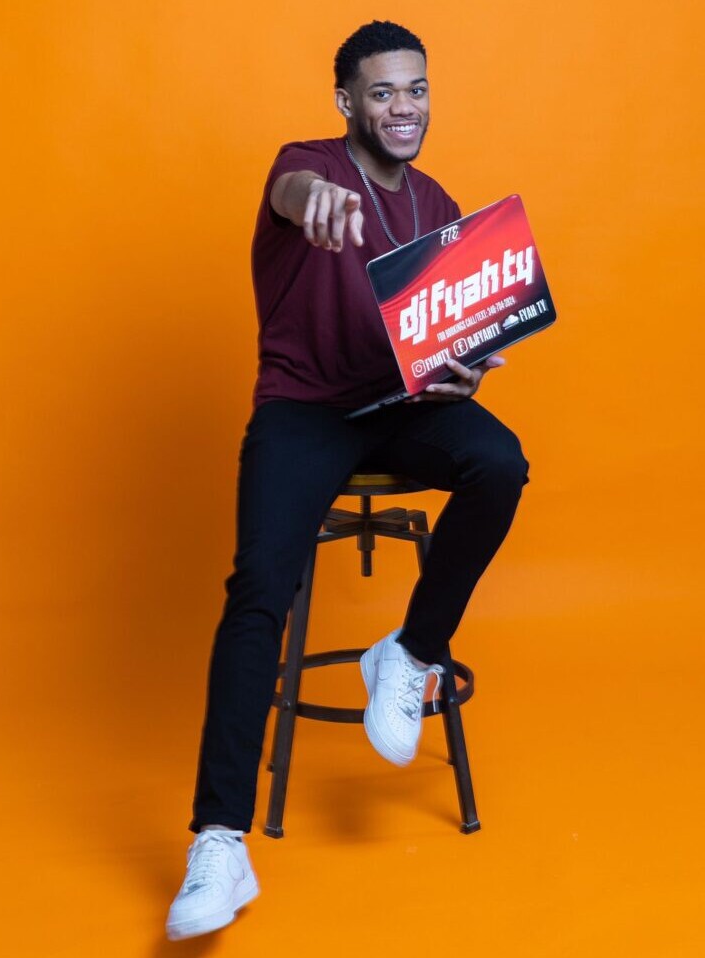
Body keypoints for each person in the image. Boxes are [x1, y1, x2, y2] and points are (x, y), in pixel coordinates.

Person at [166, 20, 529, 941]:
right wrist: (313, 200)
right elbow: (293, 194)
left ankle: (408, 652)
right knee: (258, 593)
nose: (403, 108)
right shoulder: (309, 163)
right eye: (382, 92)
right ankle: (219, 841)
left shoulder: (438, 199)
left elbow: (442, 329)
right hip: (304, 411)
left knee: (499, 461)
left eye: (416, 90)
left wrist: (465, 366)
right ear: (346, 103)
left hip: (398, 406)